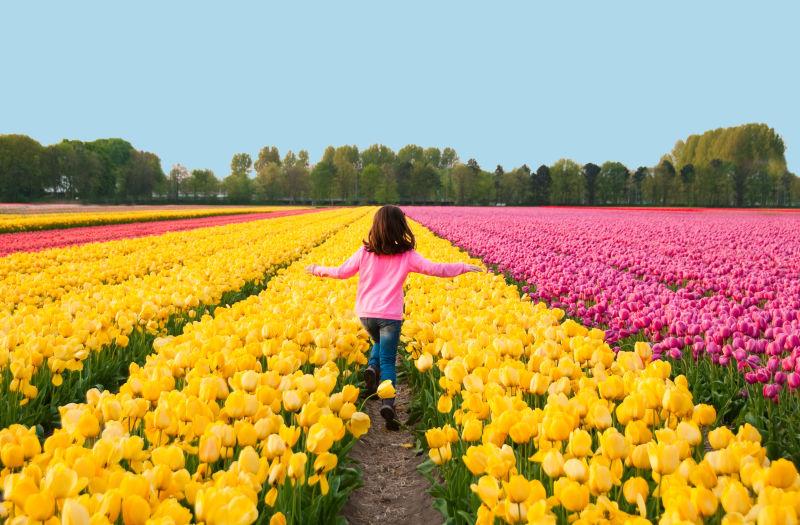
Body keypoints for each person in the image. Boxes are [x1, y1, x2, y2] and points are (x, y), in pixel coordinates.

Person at [305, 205, 481, 430]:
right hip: (389, 315)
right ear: (401, 227)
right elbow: (435, 268)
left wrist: (316, 269)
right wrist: (463, 266)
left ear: (375, 227)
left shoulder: (365, 253)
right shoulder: (406, 256)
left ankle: (371, 368)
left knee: (377, 343)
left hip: (366, 314)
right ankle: (388, 403)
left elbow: (341, 272)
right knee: (388, 360)